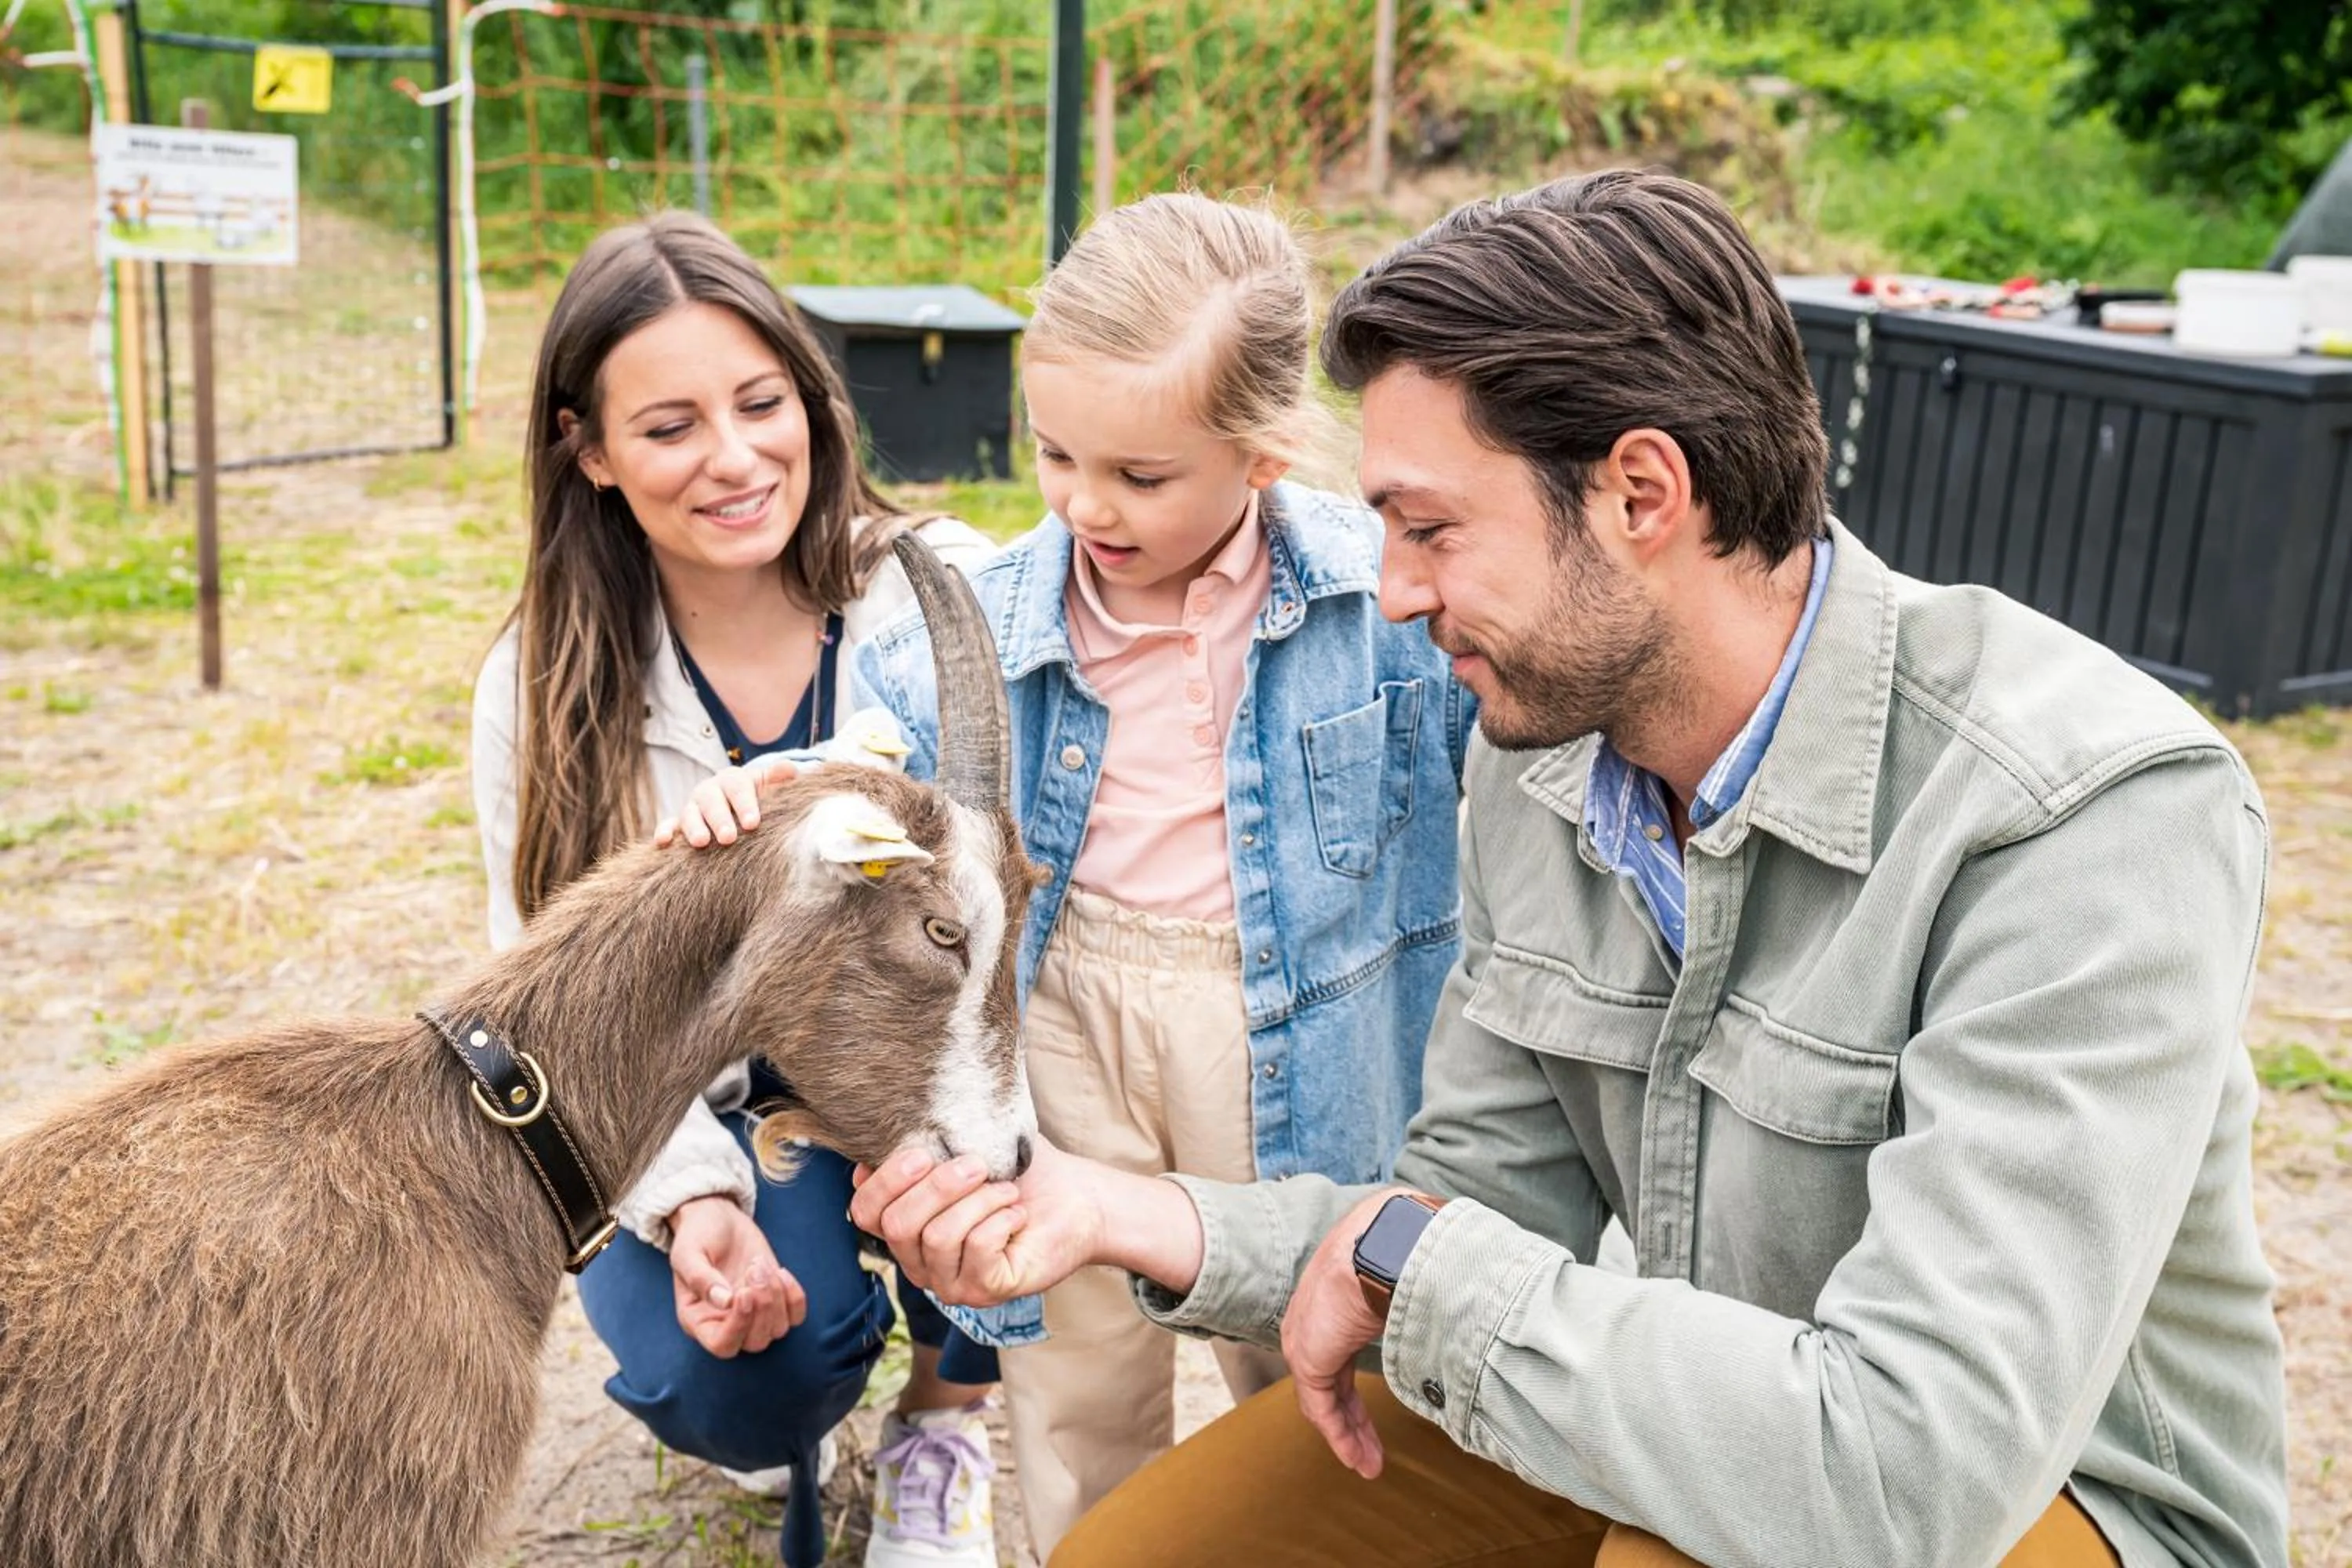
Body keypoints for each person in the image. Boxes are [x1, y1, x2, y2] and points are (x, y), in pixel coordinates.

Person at [845, 171, 2294, 1568]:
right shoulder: (1540, 753)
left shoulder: (2086, 815)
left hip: (2023, 1500)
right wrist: (1112, 1212)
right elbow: (1467, 1198)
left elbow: (1902, 1480)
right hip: (1648, 1400)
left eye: (1429, 529)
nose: (1394, 592)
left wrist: (1425, 1263)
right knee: (1140, 1557)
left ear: (1639, 494)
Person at [666, 191, 1475, 1555]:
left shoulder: (1381, 604)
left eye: (1140, 478)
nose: (1087, 504)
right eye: (1055, 456)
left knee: (1318, 1349)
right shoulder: (973, 627)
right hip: (1061, 1020)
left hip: (1303, 1033)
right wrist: (792, 800)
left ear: (1265, 450)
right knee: (1072, 1365)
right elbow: (883, 773)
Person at [468, 210, 1007, 1568]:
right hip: (700, 1098)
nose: (735, 456)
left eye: (762, 402)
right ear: (587, 451)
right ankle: (799, 1406)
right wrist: (693, 1196)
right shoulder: (543, 685)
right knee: (740, 1377)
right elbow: (557, 1002)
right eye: (668, 428)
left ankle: (947, 1414)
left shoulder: (953, 595)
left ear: (811, 401)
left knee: (1005, 1146)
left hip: (940, 1059)